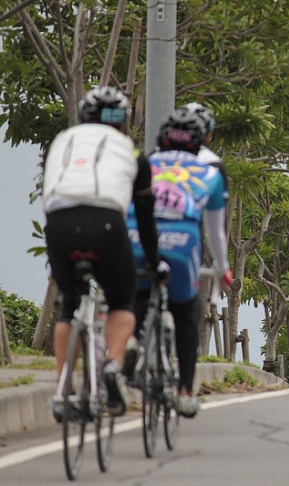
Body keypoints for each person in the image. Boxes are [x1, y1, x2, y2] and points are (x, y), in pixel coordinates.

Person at [43, 86, 162, 419]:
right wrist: (154, 261)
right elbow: (146, 218)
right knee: (122, 301)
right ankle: (112, 363)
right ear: (123, 122)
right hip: (106, 222)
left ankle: (63, 389)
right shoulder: (133, 153)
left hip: (60, 223)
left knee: (69, 305)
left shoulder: (62, 142)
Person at [126, 109, 232, 418]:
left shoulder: (144, 163)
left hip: (134, 234)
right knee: (187, 312)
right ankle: (186, 392)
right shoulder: (210, 171)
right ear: (201, 142)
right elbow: (215, 231)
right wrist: (222, 267)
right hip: (181, 239)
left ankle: (132, 341)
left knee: (138, 296)